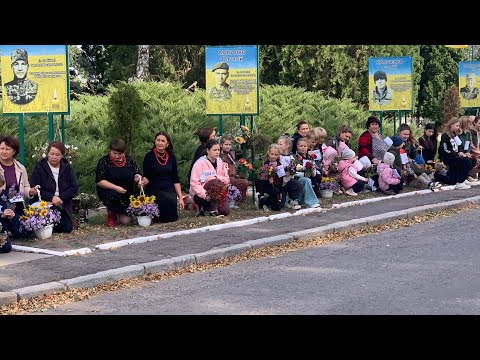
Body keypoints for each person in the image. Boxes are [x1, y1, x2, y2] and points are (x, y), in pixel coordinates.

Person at [30, 141, 79, 233]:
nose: (54, 157)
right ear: (47, 153)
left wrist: (60, 198)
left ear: (62, 156)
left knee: (67, 228)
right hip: (44, 203)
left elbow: (74, 187)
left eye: (58, 154)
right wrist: (51, 197)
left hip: (62, 203)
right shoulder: (39, 167)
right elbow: (35, 188)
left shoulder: (67, 168)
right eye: (52, 154)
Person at [96, 138, 144, 227]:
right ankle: (111, 214)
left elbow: (138, 173)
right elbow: (99, 181)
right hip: (110, 191)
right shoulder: (104, 162)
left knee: (126, 221)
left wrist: (138, 177)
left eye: (120, 154)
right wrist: (116, 188)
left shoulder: (130, 161)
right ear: (110, 151)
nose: (117, 156)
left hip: (126, 193)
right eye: (114, 153)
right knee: (113, 195)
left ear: (124, 152)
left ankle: (121, 213)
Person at [142, 131, 184, 223]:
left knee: (171, 201)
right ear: (155, 141)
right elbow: (146, 176)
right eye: (158, 140)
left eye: (163, 141)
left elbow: (175, 178)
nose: (160, 143)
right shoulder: (149, 156)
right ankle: (158, 216)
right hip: (154, 188)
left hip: (169, 188)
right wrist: (142, 182)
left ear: (167, 143)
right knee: (165, 199)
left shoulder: (172, 157)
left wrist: (180, 197)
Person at [0, 135, 37, 238]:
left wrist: (30, 192)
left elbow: (25, 187)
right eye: (2, 148)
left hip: (16, 202)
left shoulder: (20, 168)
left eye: (7, 149)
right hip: (1, 202)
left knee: (22, 232)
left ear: (14, 151)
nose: (4, 151)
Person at [189, 139, 231, 217]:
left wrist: (216, 177)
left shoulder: (220, 162)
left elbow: (227, 179)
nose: (217, 152)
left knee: (225, 211)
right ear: (208, 151)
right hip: (201, 194)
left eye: (218, 150)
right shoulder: (199, 163)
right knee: (214, 182)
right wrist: (205, 196)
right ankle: (210, 209)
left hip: (218, 192)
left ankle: (206, 209)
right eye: (214, 150)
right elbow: (194, 184)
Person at [437, 117, 473, 189]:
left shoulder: (455, 135)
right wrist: (456, 154)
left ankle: (438, 176)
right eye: (457, 126)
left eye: (459, 126)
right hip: (449, 157)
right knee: (467, 162)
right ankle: (460, 181)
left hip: (456, 156)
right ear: (451, 125)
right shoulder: (445, 136)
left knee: (452, 181)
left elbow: (460, 145)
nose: (458, 127)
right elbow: (445, 149)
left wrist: (462, 152)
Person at [220, 135, 248, 204]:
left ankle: (239, 201)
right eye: (226, 144)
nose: (228, 146)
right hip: (226, 178)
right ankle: (237, 201)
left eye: (229, 145)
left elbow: (238, 156)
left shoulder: (231, 153)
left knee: (245, 181)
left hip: (233, 177)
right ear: (221, 145)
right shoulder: (221, 155)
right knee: (244, 182)